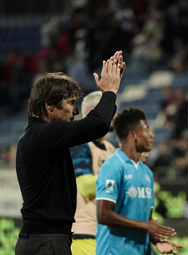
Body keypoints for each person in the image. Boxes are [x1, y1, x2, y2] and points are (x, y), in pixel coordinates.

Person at [15, 51, 125, 255]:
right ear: (49, 106)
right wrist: (110, 91)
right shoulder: (45, 134)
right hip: (46, 243)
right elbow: (99, 124)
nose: (76, 111)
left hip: (42, 241)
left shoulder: (38, 137)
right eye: (71, 103)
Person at [96, 107, 183, 255]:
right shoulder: (112, 166)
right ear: (133, 135)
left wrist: (158, 241)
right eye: (147, 130)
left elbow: (147, 223)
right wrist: (145, 226)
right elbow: (103, 214)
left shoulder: (147, 173)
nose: (152, 135)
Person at [70, 91, 116, 255]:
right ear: (92, 113)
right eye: (110, 110)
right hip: (84, 232)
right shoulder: (81, 144)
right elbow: (87, 186)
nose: (114, 115)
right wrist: (118, 181)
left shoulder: (111, 149)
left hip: (106, 233)